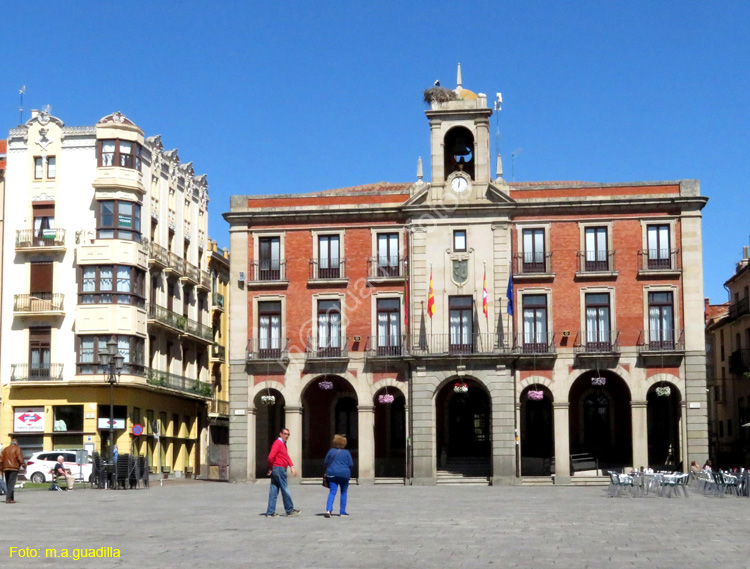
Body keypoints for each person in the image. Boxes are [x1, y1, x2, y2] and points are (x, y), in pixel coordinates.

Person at [265, 428, 299, 517]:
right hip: (279, 468)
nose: (286, 436)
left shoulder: (283, 444)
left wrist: (292, 466)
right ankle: (289, 510)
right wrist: (271, 467)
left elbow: (286, 457)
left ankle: (270, 512)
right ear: (280, 434)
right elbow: (270, 457)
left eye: (288, 434)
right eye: (285, 434)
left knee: (274, 490)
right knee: (285, 489)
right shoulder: (278, 443)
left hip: (277, 468)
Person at [323, 434, 354, 518]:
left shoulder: (331, 451)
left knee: (332, 492)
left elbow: (325, 462)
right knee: (343, 492)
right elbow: (351, 464)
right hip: (344, 474)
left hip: (332, 473)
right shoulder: (347, 452)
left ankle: (329, 510)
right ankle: (342, 512)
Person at [0, 439, 27, 504]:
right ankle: (8, 499)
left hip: (6, 468)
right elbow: (19, 457)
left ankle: (11, 498)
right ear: (16, 443)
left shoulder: (5, 449)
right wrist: (23, 464)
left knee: (8, 483)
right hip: (14, 468)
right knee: (11, 483)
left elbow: (1, 458)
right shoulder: (17, 449)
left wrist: (1, 468)